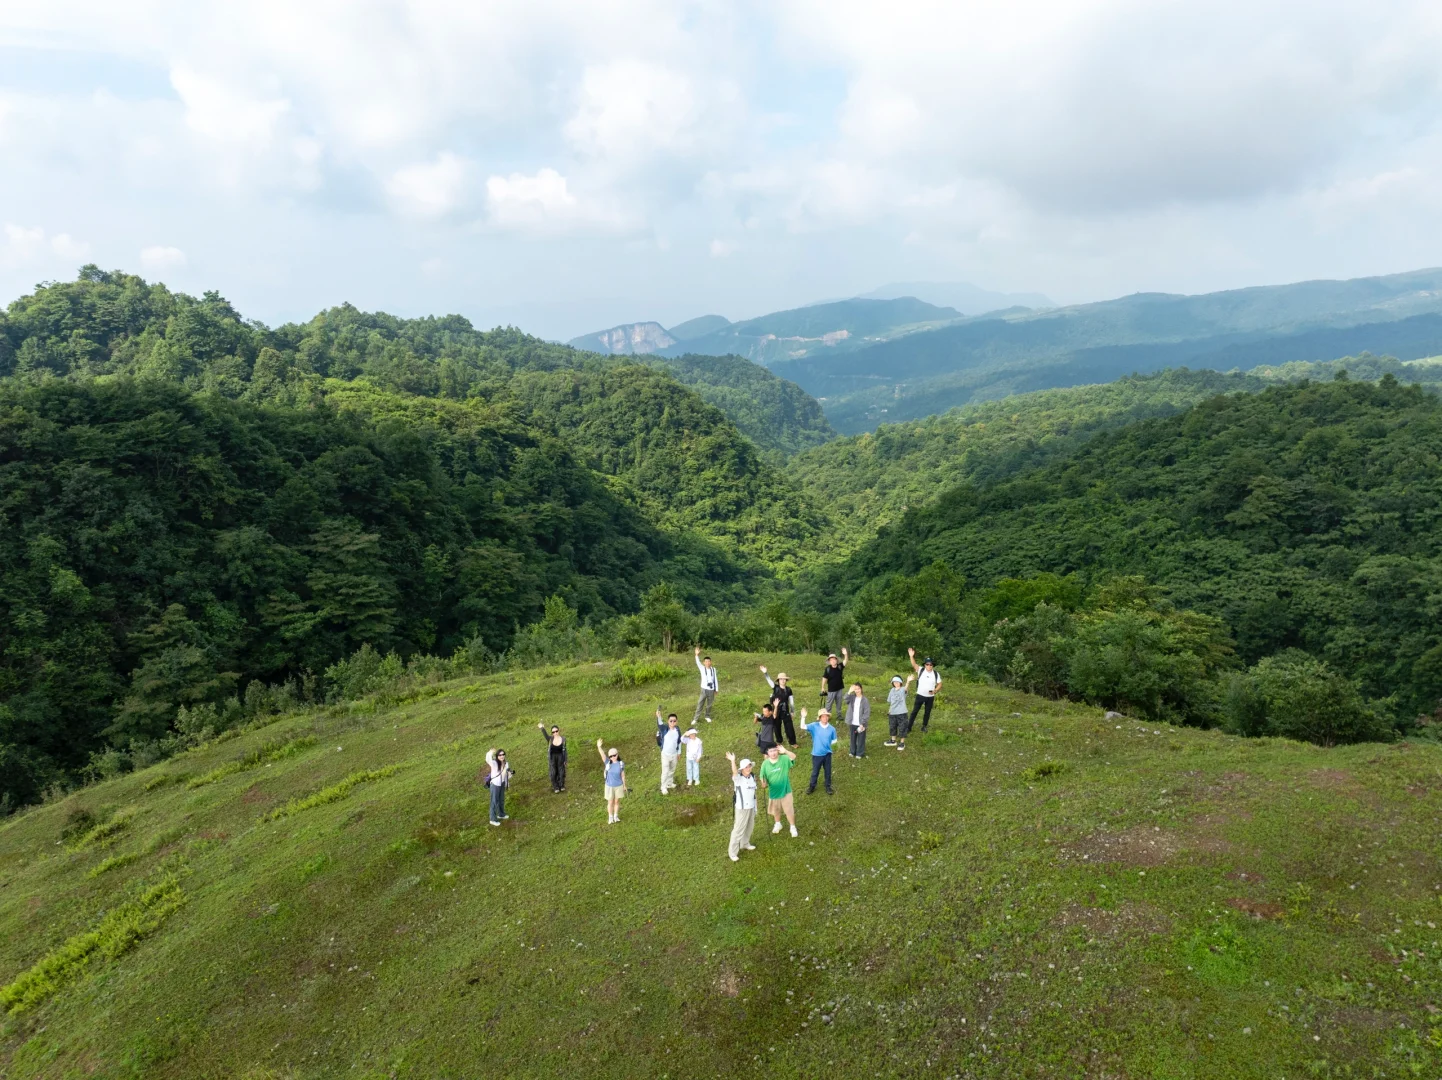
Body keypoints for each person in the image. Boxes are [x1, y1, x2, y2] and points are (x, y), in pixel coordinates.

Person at [759, 743, 798, 837]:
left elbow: (793, 757)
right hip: (773, 792)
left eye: (774, 750)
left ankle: (792, 827)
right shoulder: (765, 764)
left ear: (778, 751)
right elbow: (762, 777)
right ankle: (778, 824)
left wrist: (786, 751)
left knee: (789, 810)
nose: (773, 753)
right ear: (767, 753)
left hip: (786, 791)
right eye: (771, 751)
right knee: (776, 810)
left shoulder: (784, 759)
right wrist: (763, 784)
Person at [725, 751, 758, 861]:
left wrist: (755, 807)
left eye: (749, 766)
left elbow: (754, 793)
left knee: (749, 827)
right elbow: (734, 772)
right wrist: (733, 761)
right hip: (742, 808)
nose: (748, 768)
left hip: (751, 807)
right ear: (742, 769)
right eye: (746, 767)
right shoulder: (738, 778)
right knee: (738, 830)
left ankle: (745, 844)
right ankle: (733, 852)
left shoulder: (753, 776)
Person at [802, 707, 838, 795]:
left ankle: (828, 786)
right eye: (823, 716)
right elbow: (803, 726)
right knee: (815, 772)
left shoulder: (832, 729)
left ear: (828, 717)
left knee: (828, 771)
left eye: (826, 716)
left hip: (827, 754)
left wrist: (826, 744)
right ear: (820, 718)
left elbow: (834, 740)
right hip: (817, 754)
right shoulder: (814, 726)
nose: (825, 718)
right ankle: (812, 786)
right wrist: (803, 717)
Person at [760, 665, 798, 747]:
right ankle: (779, 741)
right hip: (776, 710)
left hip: (786, 710)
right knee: (777, 726)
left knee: (789, 726)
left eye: (784, 679)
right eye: (781, 679)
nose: (783, 680)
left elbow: (791, 701)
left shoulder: (788, 689)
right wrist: (765, 673)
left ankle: (792, 742)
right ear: (778, 680)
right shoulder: (775, 687)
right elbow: (769, 680)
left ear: (786, 680)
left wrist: (792, 711)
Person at [907, 648, 943, 733]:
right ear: (925, 665)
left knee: (927, 712)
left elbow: (940, 684)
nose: (929, 666)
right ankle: (909, 727)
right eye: (927, 664)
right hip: (920, 695)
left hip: (930, 697)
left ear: (933, 665)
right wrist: (911, 656)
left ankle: (924, 726)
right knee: (914, 711)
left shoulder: (936, 674)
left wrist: (935, 690)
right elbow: (914, 664)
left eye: (931, 665)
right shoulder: (921, 670)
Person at [596, 739, 629, 824]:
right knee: (610, 802)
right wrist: (599, 746)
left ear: (617, 755)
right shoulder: (608, 763)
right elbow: (602, 755)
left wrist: (624, 785)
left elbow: (622, 775)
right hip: (609, 786)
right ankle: (610, 817)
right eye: (610, 756)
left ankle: (616, 816)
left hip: (619, 785)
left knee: (617, 801)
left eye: (614, 755)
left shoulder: (621, 764)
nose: (612, 757)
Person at [883, 673, 916, 750]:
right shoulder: (892, 690)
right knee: (892, 727)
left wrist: (908, 682)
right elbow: (891, 702)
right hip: (892, 713)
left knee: (902, 727)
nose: (896, 683)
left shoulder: (902, 689)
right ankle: (893, 741)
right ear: (892, 683)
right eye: (894, 682)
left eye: (897, 682)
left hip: (902, 713)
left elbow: (906, 689)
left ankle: (902, 743)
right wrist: (889, 710)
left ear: (900, 683)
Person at [483, 748, 512, 826]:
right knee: (494, 801)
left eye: (503, 754)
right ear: (497, 756)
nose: (502, 756)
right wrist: (490, 752)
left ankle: (501, 814)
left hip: (502, 784)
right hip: (495, 784)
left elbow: (506, 775)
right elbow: (488, 759)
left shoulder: (506, 763)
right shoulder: (494, 763)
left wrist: (509, 776)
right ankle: (492, 819)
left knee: (501, 799)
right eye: (500, 755)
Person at [537, 722, 567, 792]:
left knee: (561, 771)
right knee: (553, 772)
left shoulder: (563, 739)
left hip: (560, 756)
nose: (555, 733)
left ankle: (561, 785)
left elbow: (565, 750)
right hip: (552, 757)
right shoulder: (550, 739)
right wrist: (542, 728)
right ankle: (555, 787)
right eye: (553, 732)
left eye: (556, 731)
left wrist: (565, 759)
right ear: (552, 733)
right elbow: (545, 735)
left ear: (559, 731)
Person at [843, 682, 871, 758]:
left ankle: (859, 753)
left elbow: (866, 712)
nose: (857, 690)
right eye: (855, 689)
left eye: (858, 689)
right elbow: (845, 698)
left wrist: (862, 723)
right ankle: (852, 752)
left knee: (861, 739)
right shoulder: (852, 697)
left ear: (861, 689)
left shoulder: (865, 700)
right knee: (852, 738)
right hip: (852, 722)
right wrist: (849, 691)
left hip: (861, 723)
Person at [657, 710, 682, 794]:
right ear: (668, 721)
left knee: (672, 770)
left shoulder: (677, 730)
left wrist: (679, 752)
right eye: (671, 721)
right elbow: (660, 724)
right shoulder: (665, 729)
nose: (672, 722)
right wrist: (659, 716)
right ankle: (663, 787)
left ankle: (669, 783)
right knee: (665, 771)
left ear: (676, 721)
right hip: (665, 755)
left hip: (674, 754)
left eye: (674, 721)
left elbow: (679, 741)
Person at [820, 648, 849, 716]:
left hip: (840, 689)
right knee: (829, 703)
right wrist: (822, 687)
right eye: (831, 660)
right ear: (829, 661)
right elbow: (824, 678)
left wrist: (846, 654)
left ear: (836, 660)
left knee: (839, 703)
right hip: (831, 690)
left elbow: (845, 661)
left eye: (834, 659)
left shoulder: (840, 666)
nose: (832, 661)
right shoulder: (827, 669)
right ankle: (827, 715)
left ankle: (839, 715)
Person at [694, 645, 718, 724]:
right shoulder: (702, 668)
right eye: (706, 661)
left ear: (711, 662)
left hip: (711, 690)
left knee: (709, 704)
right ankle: (695, 718)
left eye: (709, 661)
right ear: (704, 662)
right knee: (700, 703)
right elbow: (697, 662)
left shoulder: (713, 669)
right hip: (704, 689)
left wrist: (716, 689)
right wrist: (697, 655)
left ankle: (707, 716)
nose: (707, 663)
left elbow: (715, 679)